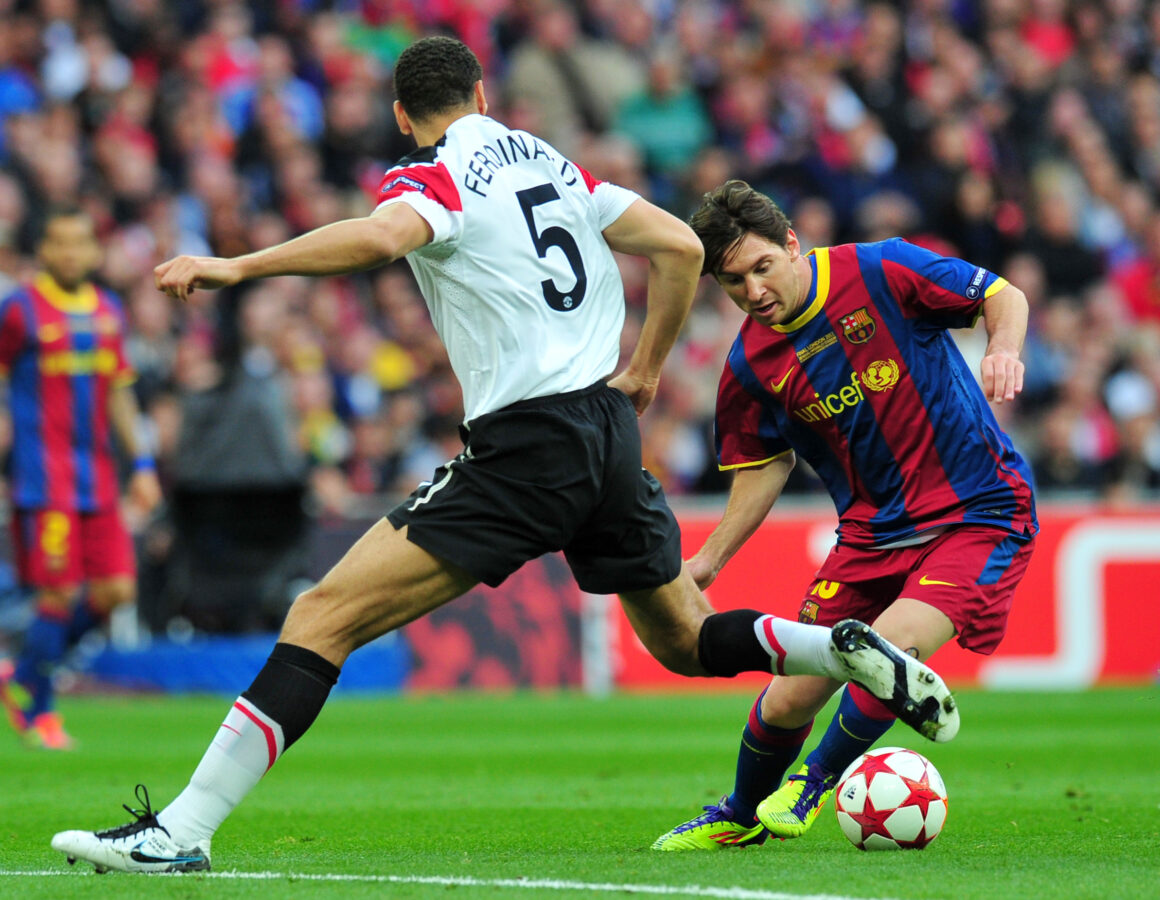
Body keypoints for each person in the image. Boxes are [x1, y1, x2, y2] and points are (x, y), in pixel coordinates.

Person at [51, 39, 957, 874]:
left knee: (321, 616)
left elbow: (378, 237)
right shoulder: (551, 162)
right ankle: (839, 653)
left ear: (404, 116)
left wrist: (237, 267)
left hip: (528, 443)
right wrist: (643, 369)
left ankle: (183, 831)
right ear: (483, 93)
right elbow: (682, 246)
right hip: (607, 428)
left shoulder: (431, 175)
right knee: (683, 639)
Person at [652, 180, 1038, 851]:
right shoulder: (749, 364)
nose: (753, 292)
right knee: (788, 697)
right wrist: (709, 559)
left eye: (762, 268)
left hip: (979, 512)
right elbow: (763, 466)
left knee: (886, 653)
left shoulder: (879, 268)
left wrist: (1003, 349)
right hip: (870, 536)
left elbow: (1002, 296)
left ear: (793, 244)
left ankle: (813, 781)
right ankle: (740, 812)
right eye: (733, 282)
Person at [0, 207, 162, 750]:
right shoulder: (19, 310)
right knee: (59, 593)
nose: (70, 253)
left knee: (116, 589)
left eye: (80, 243)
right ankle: (39, 709)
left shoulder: (108, 309)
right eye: (59, 242)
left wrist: (141, 463)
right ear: (44, 251)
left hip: (98, 479)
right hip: (43, 482)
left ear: (94, 252)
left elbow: (119, 389)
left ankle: (23, 675)